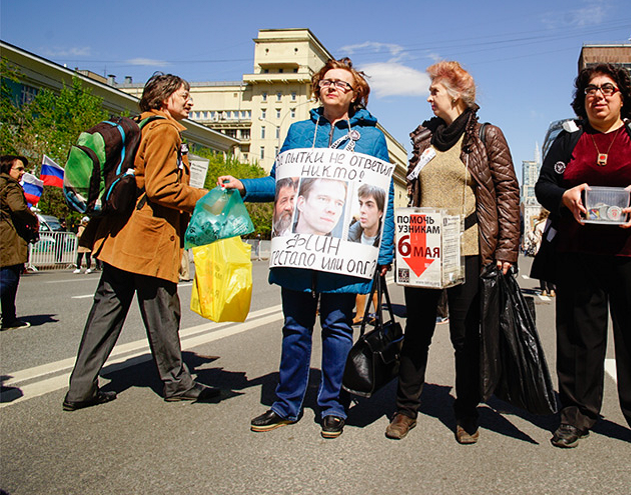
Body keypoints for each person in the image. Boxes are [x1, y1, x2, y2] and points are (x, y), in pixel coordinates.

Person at [218, 58, 395, 439]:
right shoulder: (299, 131)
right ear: (318, 87)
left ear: (355, 95)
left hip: (343, 251)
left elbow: (384, 195)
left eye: (341, 84)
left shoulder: (371, 138)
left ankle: (333, 405)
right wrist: (244, 186)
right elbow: (279, 182)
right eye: (327, 81)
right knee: (295, 327)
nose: (332, 87)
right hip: (299, 247)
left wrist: (383, 252)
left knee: (336, 326)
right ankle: (286, 404)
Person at [535, 62, 631, 455]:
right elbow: (543, 186)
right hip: (577, 253)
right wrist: (562, 197)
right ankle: (575, 414)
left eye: (607, 89)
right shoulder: (568, 140)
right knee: (578, 339)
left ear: (622, 97)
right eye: (590, 90)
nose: (598, 95)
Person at [64, 73, 220, 411]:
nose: (190, 101)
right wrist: (208, 197)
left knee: (105, 313)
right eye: (185, 95)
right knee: (163, 312)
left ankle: (80, 388)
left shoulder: (141, 126)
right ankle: (177, 382)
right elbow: (162, 189)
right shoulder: (164, 130)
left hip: (121, 237)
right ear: (164, 100)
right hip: (149, 240)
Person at [385, 61, 520, 445]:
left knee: (465, 337)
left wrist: (506, 248)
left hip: (467, 249)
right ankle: (405, 409)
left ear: (456, 95)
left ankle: (466, 412)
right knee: (417, 332)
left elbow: (508, 192)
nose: (429, 97)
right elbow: (414, 191)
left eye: (435, 91)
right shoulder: (424, 137)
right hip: (422, 250)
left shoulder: (486, 136)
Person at [1, 154, 38, 331]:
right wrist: (33, 219)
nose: (22, 172)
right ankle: (9, 318)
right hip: (9, 236)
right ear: (7, 168)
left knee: (8, 277)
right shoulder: (11, 185)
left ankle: (9, 318)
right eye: (19, 169)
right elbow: (17, 207)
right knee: (8, 278)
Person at [348, 184, 386, 325]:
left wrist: (385, 257)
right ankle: (360, 315)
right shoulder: (353, 231)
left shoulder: (382, 230)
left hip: (375, 257)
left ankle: (376, 315)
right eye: (361, 204)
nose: (363, 210)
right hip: (359, 258)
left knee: (376, 287)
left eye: (369, 205)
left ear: (380, 212)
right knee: (361, 287)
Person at [532, 209, 556, 297]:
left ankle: (544, 290)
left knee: (542, 270)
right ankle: (552, 289)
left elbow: (535, 240)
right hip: (551, 249)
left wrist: (530, 235)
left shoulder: (538, 225)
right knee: (551, 269)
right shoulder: (553, 222)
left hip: (540, 249)